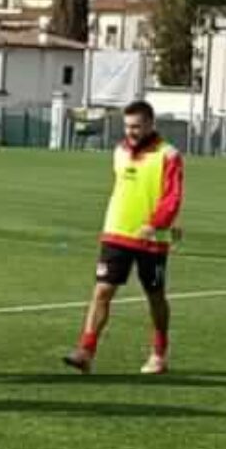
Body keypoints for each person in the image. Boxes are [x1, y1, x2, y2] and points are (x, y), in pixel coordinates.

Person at [64, 100, 183, 376]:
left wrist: (155, 224)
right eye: (128, 126)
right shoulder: (119, 152)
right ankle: (86, 351)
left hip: (152, 239)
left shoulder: (169, 155)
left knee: (155, 297)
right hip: (116, 233)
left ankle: (159, 353)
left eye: (137, 126)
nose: (131, 132)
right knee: (102, 290)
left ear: (151, 124)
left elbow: (172, 197)